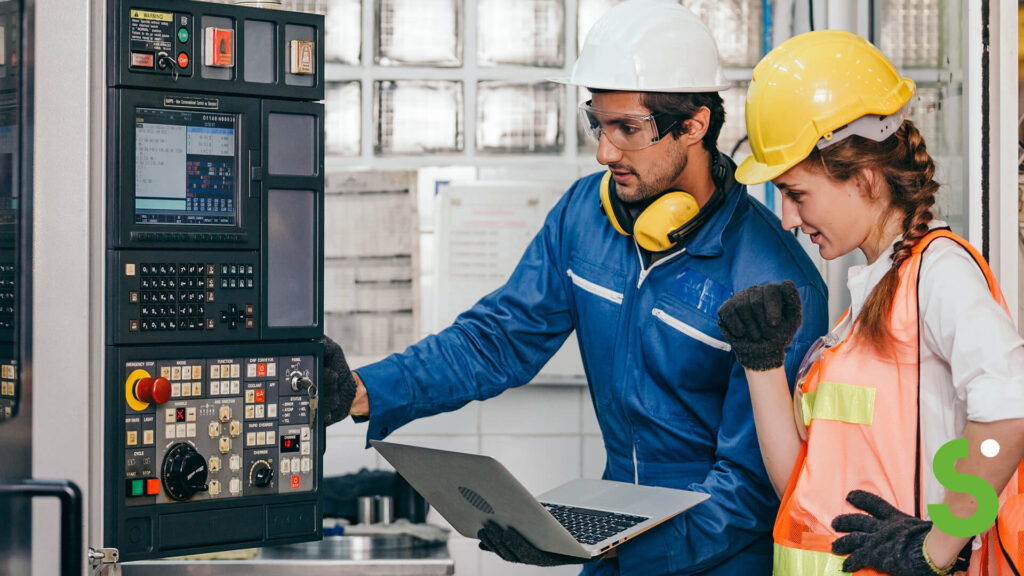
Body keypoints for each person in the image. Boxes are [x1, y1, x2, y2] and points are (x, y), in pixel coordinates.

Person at [321, 0, 828, 573]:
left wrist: (597, 543)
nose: (604, 151)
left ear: (694, 126)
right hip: (616, 545)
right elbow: (497, 340)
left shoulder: (773, 282)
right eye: (599, 123)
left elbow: (750, 488)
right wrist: (365, 389)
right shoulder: (584, 215)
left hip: (719, 557)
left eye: (628, 129)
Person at [716, 30, 1024, 576]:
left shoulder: (939, 274)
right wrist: (761, 364)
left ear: (863, 178)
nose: (787, 219)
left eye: (796, 193)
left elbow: (1010, 416)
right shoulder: (864, 301)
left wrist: (939, 546)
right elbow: (803, 489)